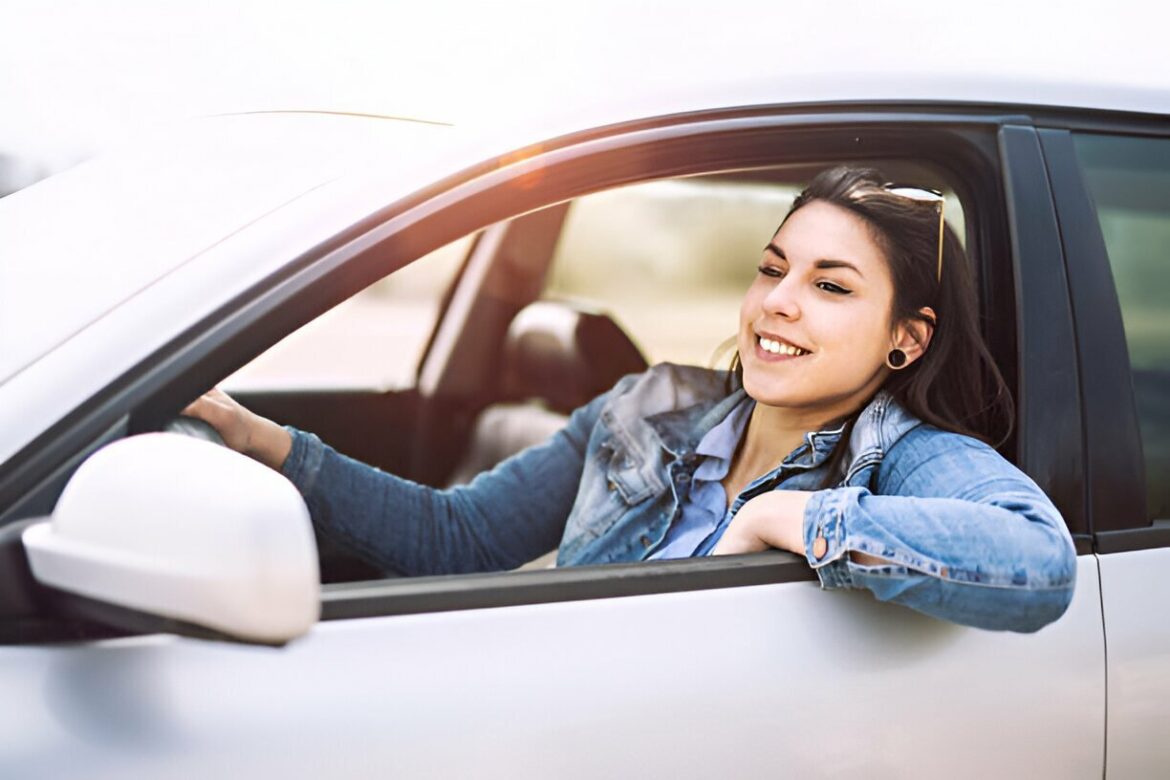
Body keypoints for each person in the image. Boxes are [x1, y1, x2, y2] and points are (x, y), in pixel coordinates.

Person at [184, 165, 1077, 633]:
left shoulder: (899, 456)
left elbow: (1039, 565)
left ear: (906, 338)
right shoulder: (643, 412)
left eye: (831, 286)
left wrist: (785, 522)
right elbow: (455, 540)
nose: (778, 302)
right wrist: (260, 439)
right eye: (773, 269)